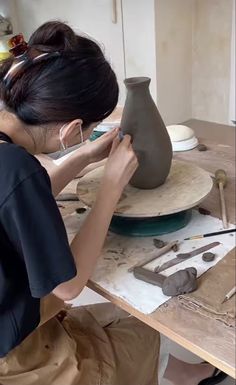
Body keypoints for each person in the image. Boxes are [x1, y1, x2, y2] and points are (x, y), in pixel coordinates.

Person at [0, 21, 226, 385]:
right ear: (71, 130)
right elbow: (68, 287)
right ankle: (182, 374)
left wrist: (80, 158)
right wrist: (109, 187)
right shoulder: (17, 170)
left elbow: (13, 199)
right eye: (90, 130)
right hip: (13, 362)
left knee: (119, 322)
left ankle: (183, 372)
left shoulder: (9, 157)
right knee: (143, 328)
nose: (89, 136)